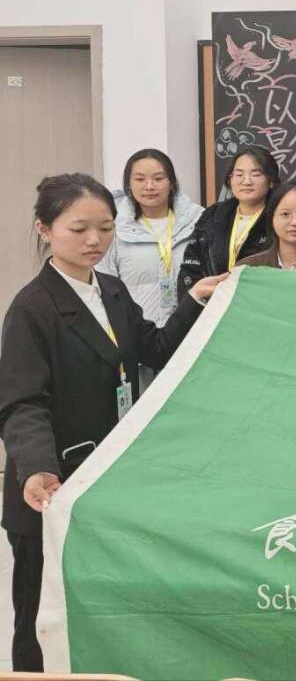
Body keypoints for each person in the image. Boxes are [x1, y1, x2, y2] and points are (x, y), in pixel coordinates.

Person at [0, 174, 226, 671]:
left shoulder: (112, 290)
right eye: (79, 228)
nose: (94, 240)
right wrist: (37, 467)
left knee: (95, 609)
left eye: (105, 228)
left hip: (104, 479)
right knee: (40, 614)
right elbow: (21, 403)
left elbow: (156, 349)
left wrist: (195, 299)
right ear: (44, 229)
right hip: (52, 487)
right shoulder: (32, 308)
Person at [100, 148, 204, 326]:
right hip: (138, 332)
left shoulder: (198, 221)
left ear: (172, 182)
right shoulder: (113, 228)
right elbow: (104, 287)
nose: (149, 186)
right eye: (140, 179)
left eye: (158, 178)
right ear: (128, 184)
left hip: (192, 329)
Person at [177, 145, 279, 295]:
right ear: (230, 180)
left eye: (256, 174)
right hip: (212, 302)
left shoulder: (280, 218)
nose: (246, 181)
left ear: (271, 181)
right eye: (239, 174)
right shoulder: (213, 215)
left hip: (259, 301)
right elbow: (191, 266)